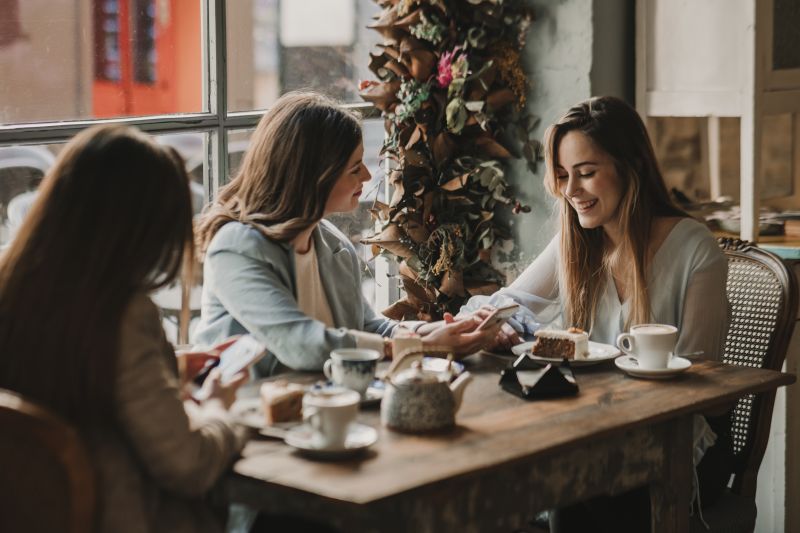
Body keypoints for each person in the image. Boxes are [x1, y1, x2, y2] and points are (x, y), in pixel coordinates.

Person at [477, 96, 732, 531]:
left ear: (630, 166)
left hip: (681, 444)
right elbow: (509, 303)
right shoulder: (576, 243)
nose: (571, 191)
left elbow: (697, 381)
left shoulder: (694, 248)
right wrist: (471, 326)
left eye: (586, 173)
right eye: (562, 176)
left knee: (575, 495)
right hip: (598, 434)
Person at [0, 125, 249, 533]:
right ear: (139, 228)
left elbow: (65, 379)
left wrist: (166, 370)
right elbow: (187, 464)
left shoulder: (16, 284)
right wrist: (224, 410)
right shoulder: (120, 313)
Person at [193, 91, 498, 377]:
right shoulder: (236, 248)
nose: (366, 176)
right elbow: (301, 345)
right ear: (312, 176)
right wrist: (419, 347)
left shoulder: (332, 243)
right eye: (354, 168)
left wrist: (441, 331)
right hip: (248, 413)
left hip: (324, 406)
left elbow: (367, 328)